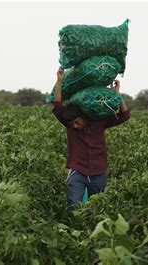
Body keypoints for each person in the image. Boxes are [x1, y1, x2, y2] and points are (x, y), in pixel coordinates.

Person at [51, 68, 130, 211]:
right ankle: (73, 230)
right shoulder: (70, 125)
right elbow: (57, 107)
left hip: (98, 172)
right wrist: (60, 81)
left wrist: (116, 95)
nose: (74, 126)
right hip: (78, 171)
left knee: (96, 208)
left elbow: (124, 115)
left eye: (76, 122)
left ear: (82, 116)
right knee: (73, 205)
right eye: (71, 124)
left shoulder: (100, 121)